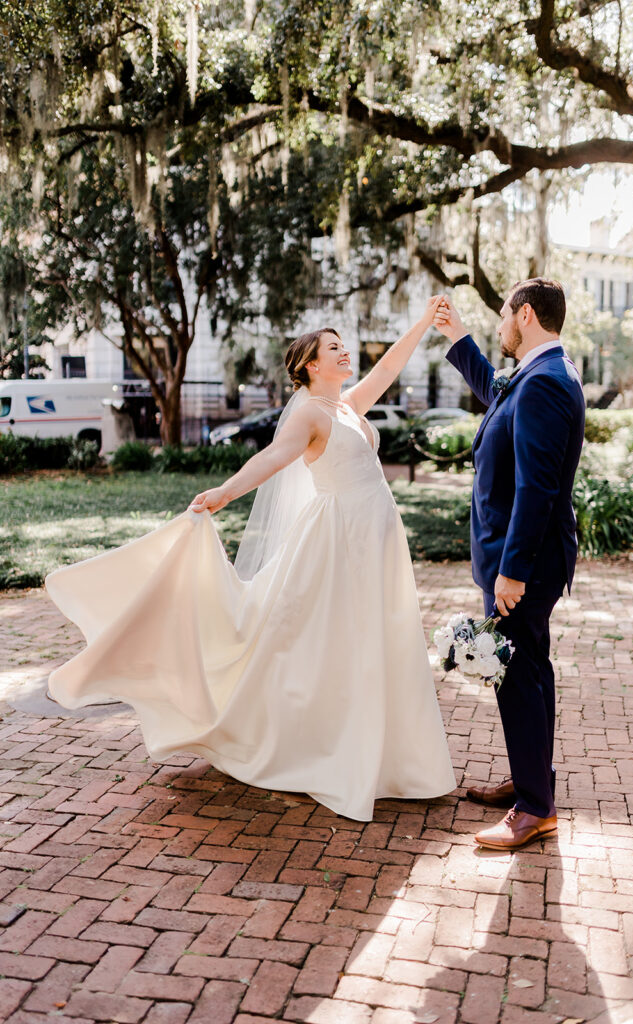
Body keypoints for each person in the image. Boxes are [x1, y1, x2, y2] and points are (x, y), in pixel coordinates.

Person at [46, 296, 455, 822]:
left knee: (370, 636)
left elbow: (392, 366)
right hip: (338, 540)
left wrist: (423, 322)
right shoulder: (309, 412)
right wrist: (222, 493)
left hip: (373, 536)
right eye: (335, 348)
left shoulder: (347, 407)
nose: (345, 352)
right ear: (311, 365)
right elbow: (271, 458)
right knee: (317, 639)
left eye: (343, 346)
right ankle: (313, 743)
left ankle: (384, 756)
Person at [434, 280, 585, 850]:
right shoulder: (538, 373)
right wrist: (459, 337)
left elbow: (537, 488)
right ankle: (532, 782)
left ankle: (534, 810)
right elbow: (495, 395)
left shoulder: (545, 383)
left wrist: (513, 571)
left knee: (517, 675)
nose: (500, 325)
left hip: (524, 563)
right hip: (522, 558)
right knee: (528, 669)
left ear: (525, 315)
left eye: (502, 316)